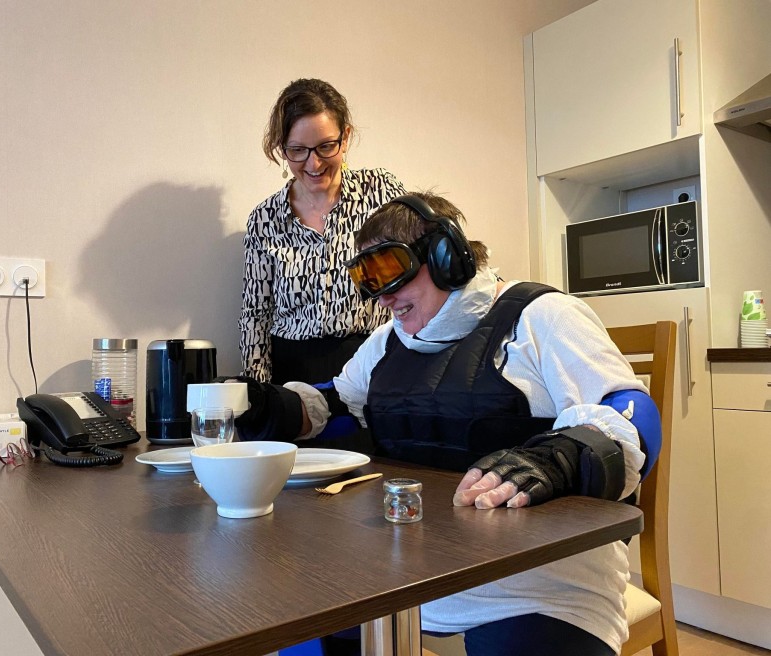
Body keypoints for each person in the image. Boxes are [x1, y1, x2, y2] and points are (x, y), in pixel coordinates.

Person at [233, 192, 662, 656]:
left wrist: (558, 457)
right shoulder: (386, 342)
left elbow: (631, 415)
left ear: (446, 256)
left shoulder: (543, 316)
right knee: (293, 631)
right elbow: (334, 408)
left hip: (537, 586)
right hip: (394, 576)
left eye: (390, 270)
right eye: (368, 279)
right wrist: (265, 407)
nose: (383, 296)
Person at [239, 78, 406, 386]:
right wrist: (260, 394)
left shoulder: (380, 193)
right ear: (282, 149)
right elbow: (255, 315)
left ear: (346, 137)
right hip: (293, 377)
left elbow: (414, 274)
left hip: (373, 367)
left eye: (326, 146)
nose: (313, 163)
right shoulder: (265, 219)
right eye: (297, 150)